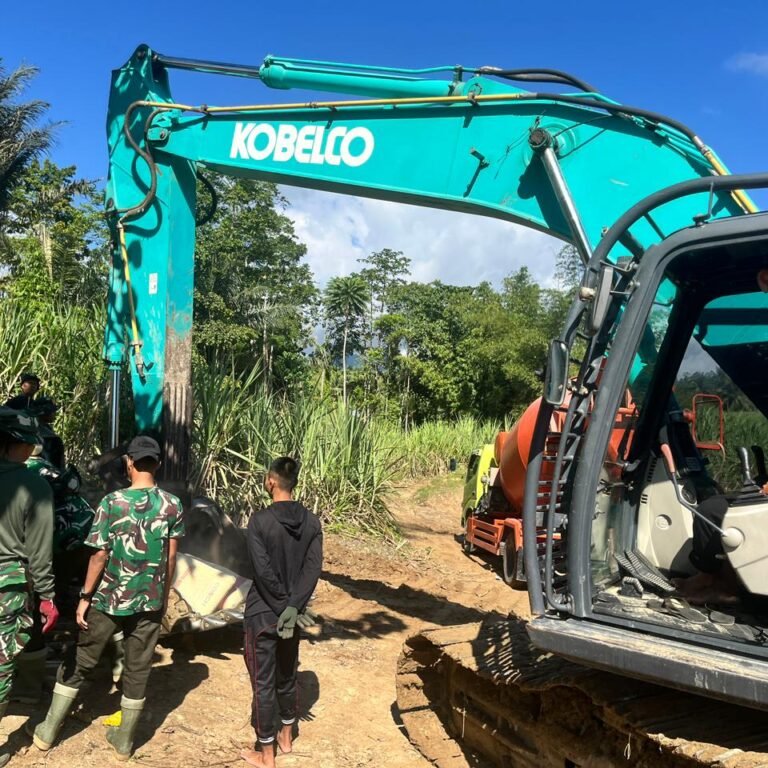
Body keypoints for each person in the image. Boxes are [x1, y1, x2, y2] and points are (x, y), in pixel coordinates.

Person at [32, 435, 184, 761]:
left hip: (108, 599)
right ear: (158, 464)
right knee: (138, 666)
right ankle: (124, 742)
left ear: (129, 462)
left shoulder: (113, 502)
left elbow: (99, 555)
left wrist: (85, 596)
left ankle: (47, 731)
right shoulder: (172, 504)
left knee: (82, 658)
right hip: (149, 600)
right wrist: (163, 593)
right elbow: (171, 558)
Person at [241, 457, 323, 768]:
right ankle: (286, 737)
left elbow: (262, 572)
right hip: (293, 615)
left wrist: (282, 606)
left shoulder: (259, 522)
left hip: (262, 615)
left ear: (271, 481)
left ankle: (266, 754)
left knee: (263, 683)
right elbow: (312, 569)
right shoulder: (312, 522)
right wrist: (293, 607)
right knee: (287, 674)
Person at [0, 408, 59, 768]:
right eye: (27, 444)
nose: (31, 451)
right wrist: (48, 597)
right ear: (12, 443)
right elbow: (39, 552)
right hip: (7, 587)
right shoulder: (33, 486)